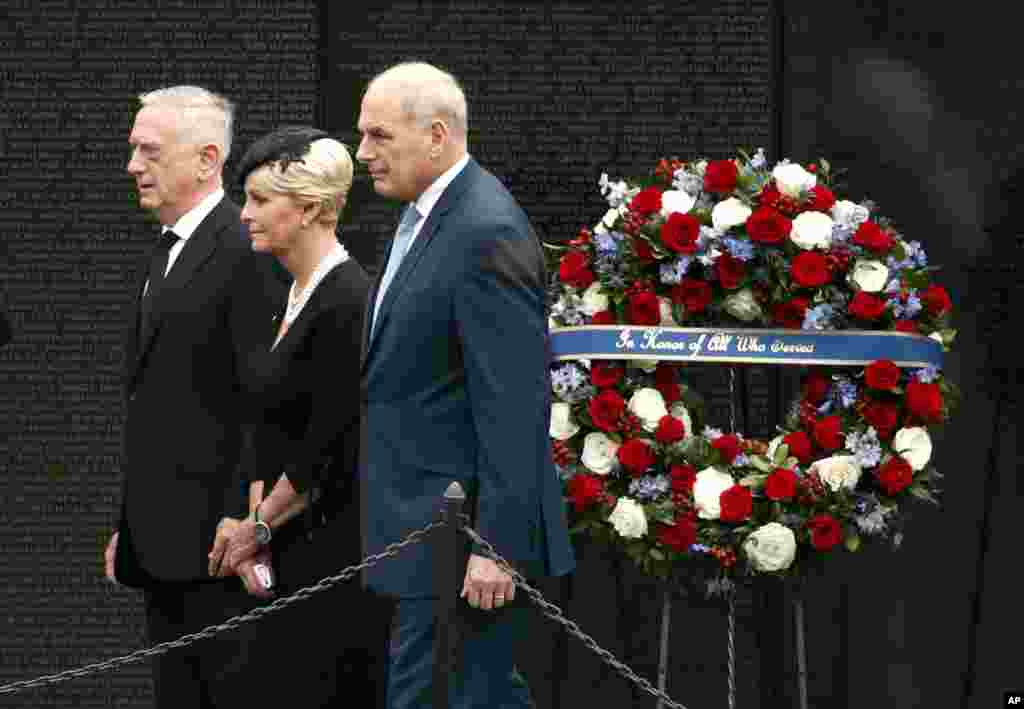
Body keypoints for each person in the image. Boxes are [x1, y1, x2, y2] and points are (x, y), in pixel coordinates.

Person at [355, 61, 576, 708]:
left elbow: (513, 403)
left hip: (460, 546)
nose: (362, 152)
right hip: (424, 536)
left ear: (436, 134)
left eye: (378, 136)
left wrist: (496, 547)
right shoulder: (428, 217)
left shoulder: (485, 228)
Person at [104, 85, 284, 708]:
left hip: (221, 552)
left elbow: (265, 403)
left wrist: (252, 523)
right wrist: (132, 522)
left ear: (207, 160)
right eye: (134, 149)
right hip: (164, 549)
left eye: (150, 151)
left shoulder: (245, 250)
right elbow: (162, 403)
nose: (133, 165)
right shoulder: (169, 250)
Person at [207, 126, 390, 706]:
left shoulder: (346, 300)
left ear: (310, 208)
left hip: (329, 554)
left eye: (260, 201)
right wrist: (254, 522)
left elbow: (328, 443)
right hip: (288, 548)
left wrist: (256, 527)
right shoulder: (295, 293)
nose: (245, 216)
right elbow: (274, 425)